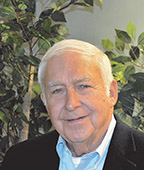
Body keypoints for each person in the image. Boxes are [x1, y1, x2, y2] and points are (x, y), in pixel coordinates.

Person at [1, 39, 144, 170]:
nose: (71, 104)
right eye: (57, 91)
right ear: (44, 100)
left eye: (83, 86)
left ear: (111, 93)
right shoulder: (19, 159)